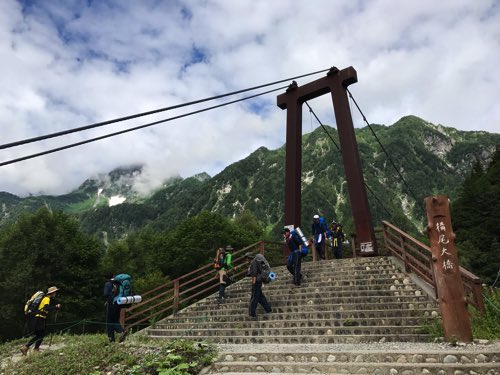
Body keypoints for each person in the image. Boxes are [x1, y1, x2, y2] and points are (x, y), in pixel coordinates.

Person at [20, 286, 61, 355]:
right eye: (55, 293)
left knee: (39, 335)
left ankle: (26, 348)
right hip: (40, 319)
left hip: (38, 318)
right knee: (41, 335)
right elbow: (46, 308)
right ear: (52, 293)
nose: (55, 294)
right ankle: (34, 349)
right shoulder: (47, 299)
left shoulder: (45, 298)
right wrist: (55, 307)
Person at [246, 252, 272, 319]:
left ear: (249, 258)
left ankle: (252, 313)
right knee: (260, 297)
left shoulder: (253, 263)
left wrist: (253, 283)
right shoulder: (256, 262)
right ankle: (268, 309)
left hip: (256, 281)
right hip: (259, 280)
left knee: (254, 297)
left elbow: (254, 273)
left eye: (247, 258)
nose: (246, 260)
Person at [103, 273, 127, 343]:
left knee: (110, 321)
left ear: (106, 278)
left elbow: (106, 294)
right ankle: (112, 338)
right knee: (115, 320)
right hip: (119, 304)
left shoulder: (108, 283)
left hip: (112, 304)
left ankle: (119, 332)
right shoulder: (118, 283)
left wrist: (108, 300)